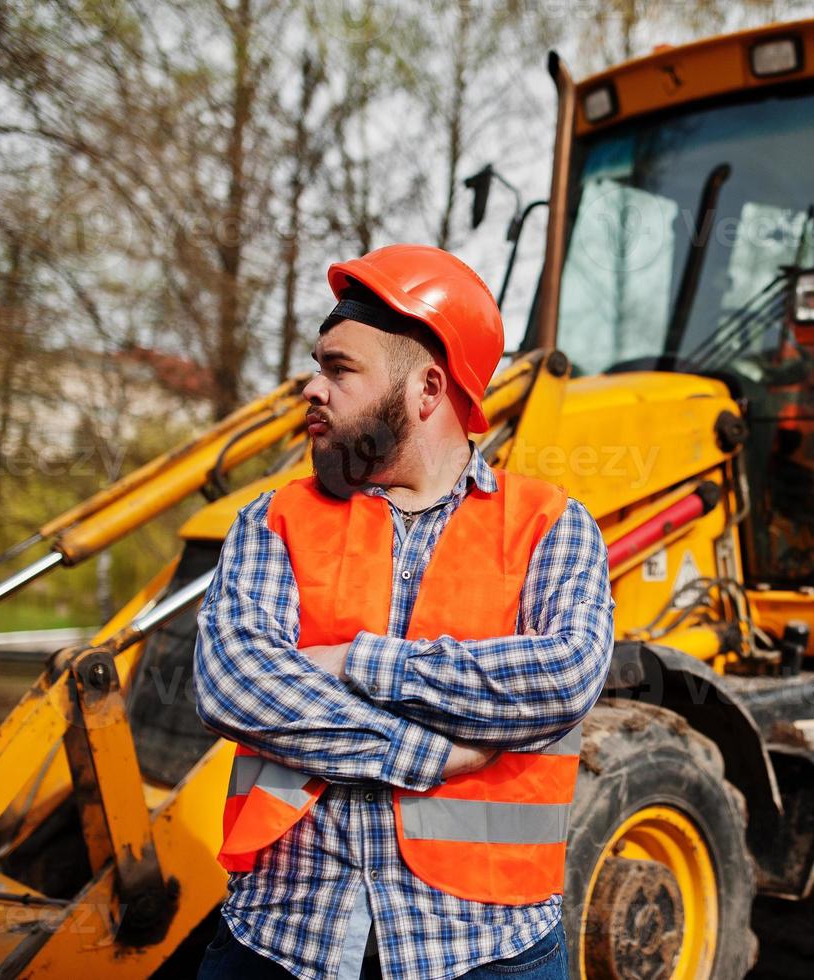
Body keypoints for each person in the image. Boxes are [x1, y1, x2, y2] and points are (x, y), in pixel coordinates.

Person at [192, 244, 616, 979]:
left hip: (486, 951)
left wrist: (359, 662)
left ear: (426, 390)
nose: (311, 390)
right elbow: (234, 683)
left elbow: (561, 679)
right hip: (280, 940)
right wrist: (430, 752)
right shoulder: (275, 518)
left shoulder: (549, 524)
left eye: (338, 368)